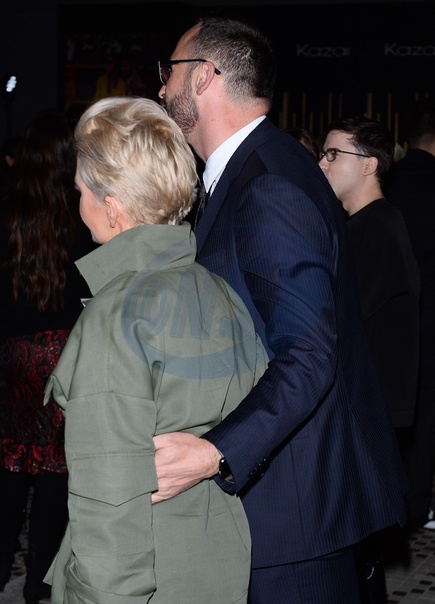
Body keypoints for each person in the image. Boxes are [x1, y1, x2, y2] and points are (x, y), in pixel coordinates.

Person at [154, 17, 408, 603]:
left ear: (204, 77)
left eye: (169, 70)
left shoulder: (268, 180)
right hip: (283, 502)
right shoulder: (253, 169)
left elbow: (310, 354)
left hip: (294, 515)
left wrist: (216, 451)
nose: (161, 86)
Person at [43, 96, 268, 604]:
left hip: (142, 577)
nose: (79, 206)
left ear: (112, 206)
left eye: (81, 192)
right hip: (218, 565)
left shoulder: (116, 316)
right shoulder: (220, 293)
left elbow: (109, 502)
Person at [319, 116, 421, 603]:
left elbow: (339, 326)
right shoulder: (370, 225)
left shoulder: (374, 230)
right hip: (368, 410)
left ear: (369, 165)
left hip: (365, 414)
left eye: (333, 154)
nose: (322, 163)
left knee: (355, 551)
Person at [0, 109, 95, 604]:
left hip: (12, 354)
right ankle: (39, 581)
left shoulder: (7, 208)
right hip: (64, 352)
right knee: (56, 466)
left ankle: (1, 568)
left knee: (11, 459)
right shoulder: (82, 210)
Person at [386, 98, 435, 531]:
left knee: (395, 416)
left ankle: (388, 500)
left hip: (392, 322)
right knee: (430, 419)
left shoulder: (387, 182)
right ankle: (416, 505)